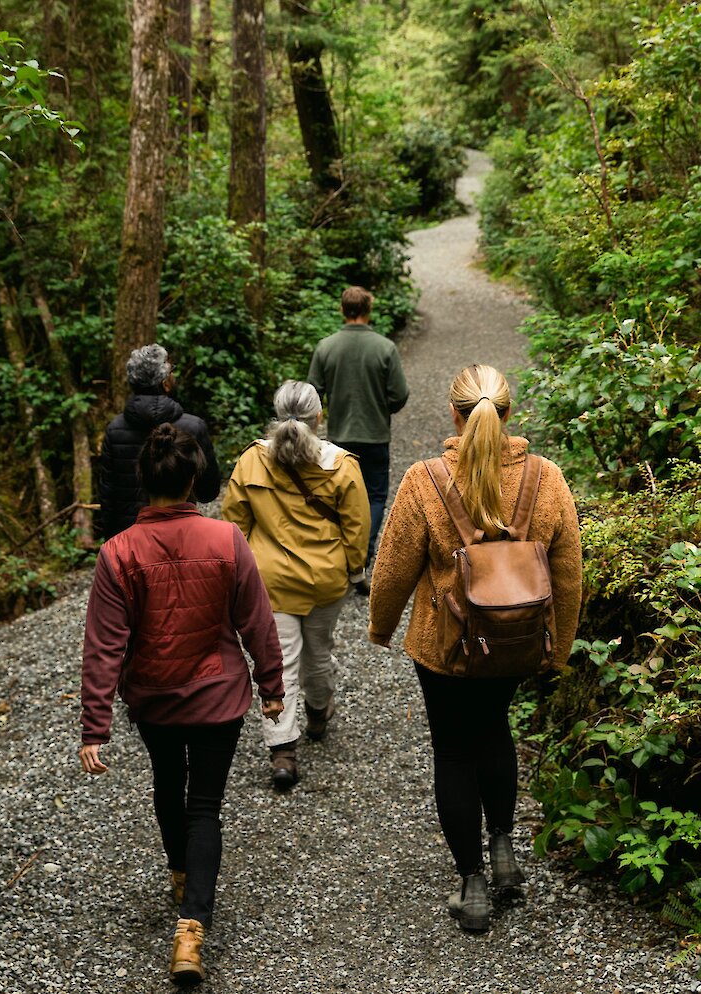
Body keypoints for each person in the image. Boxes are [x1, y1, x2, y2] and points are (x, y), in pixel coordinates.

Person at [368, 364, 582, 932]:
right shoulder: (546, 478)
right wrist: (556, 648)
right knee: (494, 730)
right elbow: (567, 575)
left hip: (446, 647)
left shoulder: (426, 481)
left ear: (454, 415)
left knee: (453, 750)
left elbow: (391, 570)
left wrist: (382, 628)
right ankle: (504, 849)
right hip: (514, 645)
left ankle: (472, 884)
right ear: (510, 414)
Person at [80, 423, 284, 984]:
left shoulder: (118, 552)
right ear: (194, 480)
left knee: (169, 785)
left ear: (143, 482)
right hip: (219, 696)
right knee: (205, 806)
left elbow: (104, 645)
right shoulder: (226, 540)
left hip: (155, 697)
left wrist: (95, 727)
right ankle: (192, 926)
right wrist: (271, 687)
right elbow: (257, 621)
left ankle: (180, 876)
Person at [222, 380, 370, 790]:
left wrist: (241, 573)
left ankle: (282, 751)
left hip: (270, 582)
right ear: (319, 417)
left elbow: (235, 523)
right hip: (325, 580)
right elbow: (357, 527)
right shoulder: (342, 466)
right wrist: (355, 572)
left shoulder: (252, 461)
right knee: (319, 651)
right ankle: (318, 711)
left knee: (279, 661)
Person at [308, 286, 409, 592]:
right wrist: (383, 409)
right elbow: (399, 394)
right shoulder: (384, 348)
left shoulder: (326, 347)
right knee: (375, 497)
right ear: (369, 310)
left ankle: (341, 558)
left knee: (340, 496)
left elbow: (312, 393)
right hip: (375, 434)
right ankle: (362, 559)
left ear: (343, 309)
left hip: (339, 437)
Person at [99, 343, 221, 540]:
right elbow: (209, 492)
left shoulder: (114, 430)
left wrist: (111, 546)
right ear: (165, 382)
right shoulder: (193, 427)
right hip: (181, 537)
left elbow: (108, 498)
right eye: (171, 371)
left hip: (130, 542)